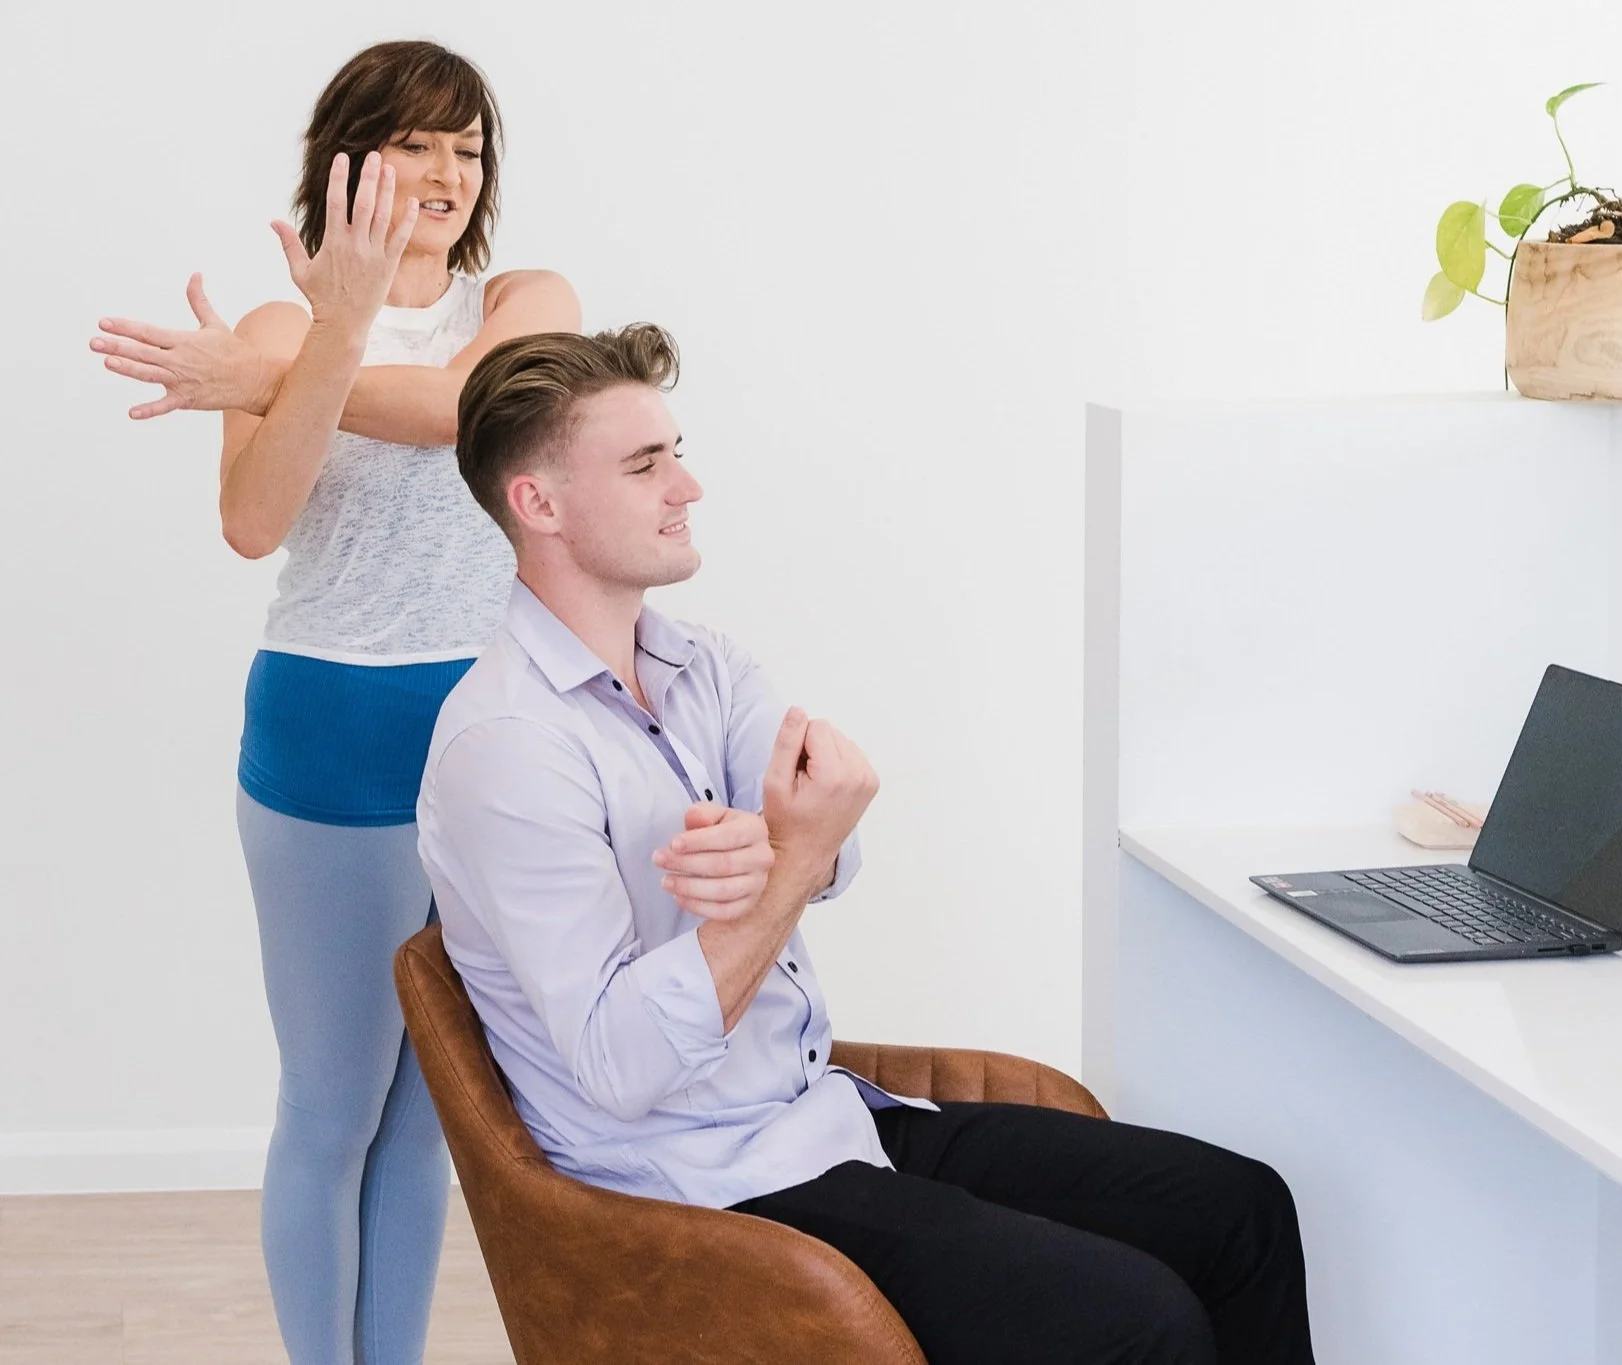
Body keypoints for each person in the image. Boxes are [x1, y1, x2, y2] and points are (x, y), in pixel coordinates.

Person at [415, 323, 1317, 1364]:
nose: (687, 485)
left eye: (676, 450)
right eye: (645, 463)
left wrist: (784, 854)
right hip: (698, 1182)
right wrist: (785, 862)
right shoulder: (508, 748)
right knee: (1134, 1319)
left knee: (1239, 1210)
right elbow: (623, 1065)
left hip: (822, 1113)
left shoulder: (702, 666)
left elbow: (835, 839)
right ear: (539, 505)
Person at [88, 41, 580, 1365]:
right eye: (417, 143)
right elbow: (256, 522)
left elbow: (468, 411)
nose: (446, 173)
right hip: (333, 730)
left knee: (429, 1114)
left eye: (468, 149)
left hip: (488, 736)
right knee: (332, 1103)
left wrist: (279, 384)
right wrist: (323, 337)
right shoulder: (278, 328)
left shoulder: (528, 300)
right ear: (348, 160)